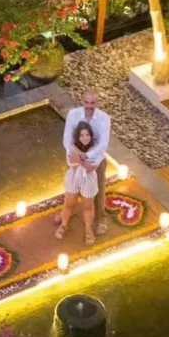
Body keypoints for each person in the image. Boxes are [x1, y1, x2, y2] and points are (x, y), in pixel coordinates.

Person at [61, 88, 111, 236]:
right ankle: (66, 215)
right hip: (75, 159)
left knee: (98, 190)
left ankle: (100, 219)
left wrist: (86, 156)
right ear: (82, 101)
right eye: (86, 102)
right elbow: (67, 140)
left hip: (95, 161)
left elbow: (103, 144)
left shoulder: (104, 118)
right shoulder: (73, 114)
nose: (89, 106)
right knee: (71, 189)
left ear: (98, 102)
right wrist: (77, 157)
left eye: (93, 103)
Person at [56, 121, 99, 245]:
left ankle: (88, 231)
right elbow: (72, 162)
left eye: (87, 135)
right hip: (74, 176)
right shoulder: (72, 146)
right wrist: (84, 157)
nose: (85, 138)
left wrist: (79, 156)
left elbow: (91, 167)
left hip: (89, 178)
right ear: (77, 136)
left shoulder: (95, 147)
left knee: (88, 206)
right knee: (69, 203)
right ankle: (64, 225)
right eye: (82, 135)